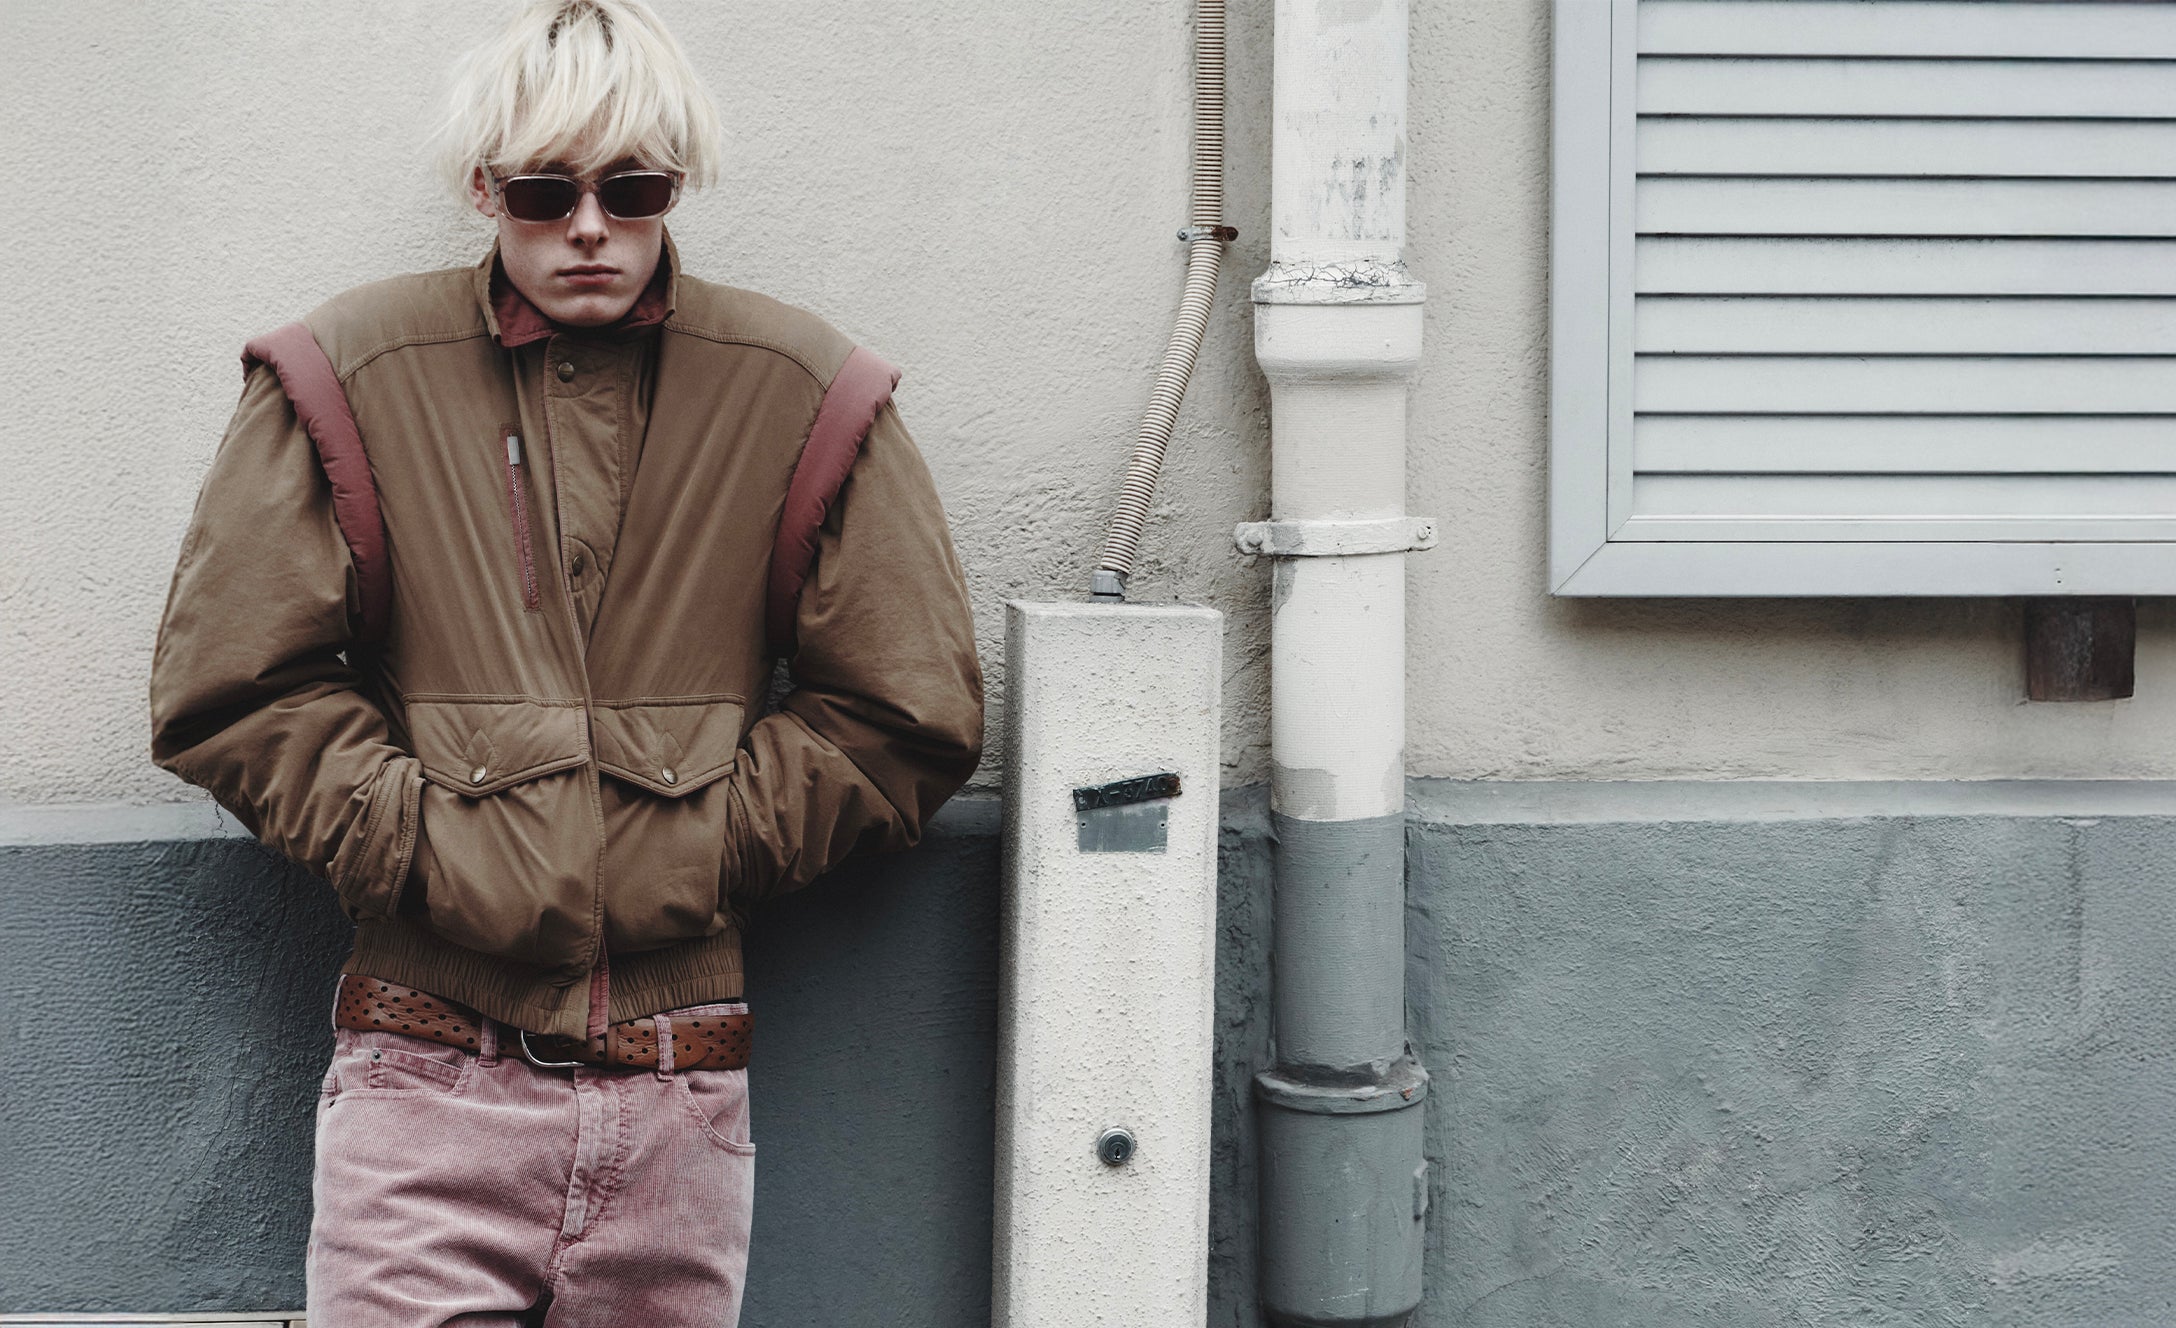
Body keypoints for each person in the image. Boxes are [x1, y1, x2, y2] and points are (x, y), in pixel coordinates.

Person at [145, 1, 985, 1323]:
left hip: (679, 1094)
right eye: (546, 192)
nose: (589, 227)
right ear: (486, 189)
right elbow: (233, 687)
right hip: (421, 1077)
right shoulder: (348, 372)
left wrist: (697, 849)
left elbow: (903, 712)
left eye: (630, 188)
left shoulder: (803, 389)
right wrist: (428, 844)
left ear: (676, 184)